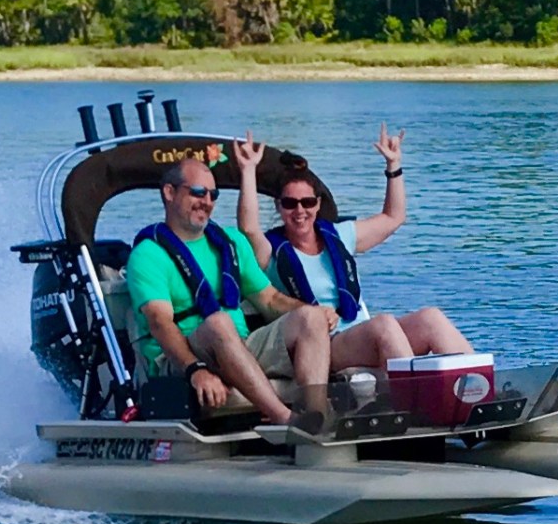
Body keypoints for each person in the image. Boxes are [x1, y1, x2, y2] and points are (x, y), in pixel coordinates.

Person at [235, 125, 474, 371]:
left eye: (307, 202)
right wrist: (248, 170)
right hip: (324, 343)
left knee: (431, 318)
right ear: (278, 207)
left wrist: (394, 165)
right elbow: (249, 227)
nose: (299, 211)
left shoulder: (340, 235)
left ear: (317, 205)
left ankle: (483, 389)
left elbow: (394, 217)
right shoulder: (269, 251)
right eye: (289, 203)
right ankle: (413, 400)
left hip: (361, 333)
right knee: (384, 325)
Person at [126, 157, 334, 425]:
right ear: (169, 192)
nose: (207, 202)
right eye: (198, 192)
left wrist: (315, 313)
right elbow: (159, 322)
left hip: (239, 346)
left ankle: (316, 419)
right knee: (219, 323)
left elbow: (270, 299)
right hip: (182, 358)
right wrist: (195, 370)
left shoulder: (232, 242)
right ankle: (285, 419)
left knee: (311, 317)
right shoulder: (147, 255)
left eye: (214, 194)